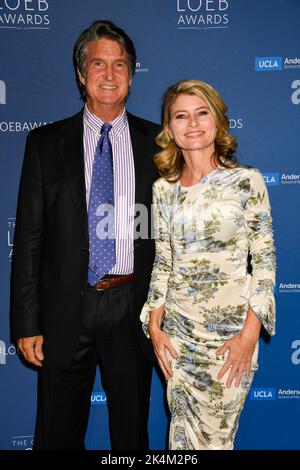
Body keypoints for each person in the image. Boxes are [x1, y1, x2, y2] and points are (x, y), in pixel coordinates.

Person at [11, 20, 159, 450]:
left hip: (132, 307)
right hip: (63, 312)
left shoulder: (160, 143)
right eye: (99, 64)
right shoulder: (44, 144)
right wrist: (27, 321)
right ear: (81, 73)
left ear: (132, 74)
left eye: (120, 65)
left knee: (131, 438)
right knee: (57, 435)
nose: (109, 75)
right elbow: (30, 239)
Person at [140, 79, 276, 450]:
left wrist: (248, 337)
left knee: (216, 442)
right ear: (169, 129)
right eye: (181, 116)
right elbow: (164, 259)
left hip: (230, 339)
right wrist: (154, 321)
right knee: (180, 440)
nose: (193, 123)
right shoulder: (162, 190)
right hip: (179, 337)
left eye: (202, 113)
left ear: (217, 121)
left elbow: (264, 266)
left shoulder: (247, 181)